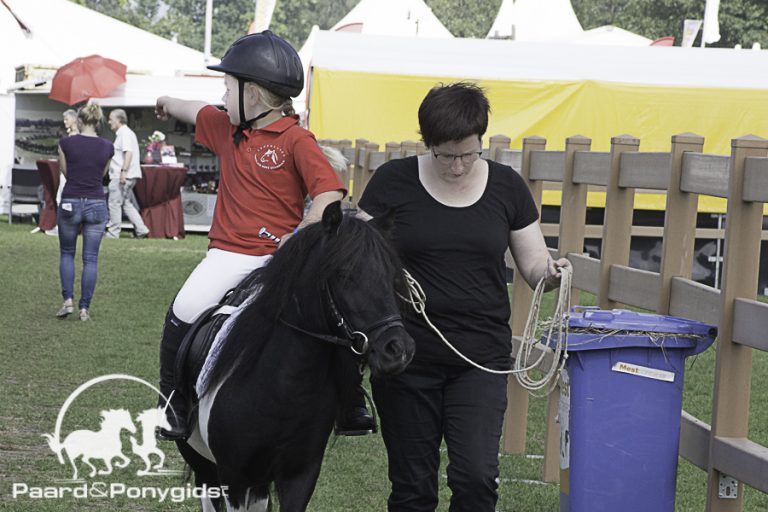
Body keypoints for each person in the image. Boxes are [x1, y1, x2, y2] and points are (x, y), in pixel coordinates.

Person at [356, 82, 573, 511]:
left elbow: (532, 263)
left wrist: (549, 274)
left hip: (480, 358)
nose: (457, 166)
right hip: (405, 357)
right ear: (428, 144)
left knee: (476, 479)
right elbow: (359, 255)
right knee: (413, 488)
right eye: (445, 155)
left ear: (482, 141)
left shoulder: (507, 187)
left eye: (468, 154)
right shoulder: (392, 183)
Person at [153, 30, 373, 441]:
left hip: (282, 259)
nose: (222, 95)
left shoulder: (296, 139)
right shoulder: (225, 127)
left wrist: (303, 231)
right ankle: (174, 404)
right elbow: (193, 108)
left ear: (251, 94)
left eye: (227, 87)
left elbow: (327, 193)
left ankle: (351, 400)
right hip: (229, 257)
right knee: (184, 309)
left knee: (335, 313)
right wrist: (166, 101)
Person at [55, 102, 114, 322]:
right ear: (98, 121)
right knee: (91, 259)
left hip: (71, 199)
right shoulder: (108, 146)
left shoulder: (65, 143)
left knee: (67, 253)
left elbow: (65, 172)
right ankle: (84, 309)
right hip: (96, 202)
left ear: (79, 120)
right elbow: (102, 174)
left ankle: (68, 300)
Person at [106, 109, 150, 239]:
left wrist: (123, 172)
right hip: (129, 175)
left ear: (118, 120)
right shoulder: (126, 133)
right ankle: (142, 229)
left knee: (114, 203)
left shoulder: (124, 133)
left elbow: (128, 153)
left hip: (122, 175)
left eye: (111, 119)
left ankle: (113, 233)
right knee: (125, 203)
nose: (109, 122)